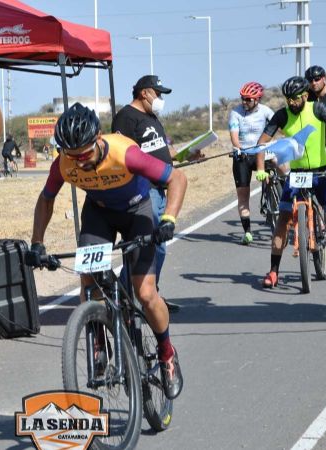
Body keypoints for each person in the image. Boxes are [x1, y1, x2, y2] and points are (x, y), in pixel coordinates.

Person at [28, 103, 186, 399]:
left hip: (137, 210)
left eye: (85, 154)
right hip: (99, 213)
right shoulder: (64, 162)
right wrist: (37, 242)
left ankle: (167, 355)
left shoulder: (124, 152)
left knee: (146, 294)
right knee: (88, 282)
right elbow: (46, 199)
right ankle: (99, 341)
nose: (80, 162)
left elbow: (177, 179)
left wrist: (169, 219)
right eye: (72, 156)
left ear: (99, 138)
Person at [255, 76, 326, 288]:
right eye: (288, 99)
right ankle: (273, 271)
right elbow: (262, 143)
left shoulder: (318, 109)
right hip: (296, 174)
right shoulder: (282, 115)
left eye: (295, 98)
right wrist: (260, 170)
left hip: (323, 171)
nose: (292, 103)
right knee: (282, 220)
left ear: (305, 95)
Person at [112, 75, 200, 292]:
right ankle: (129, 294)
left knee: (158, 247)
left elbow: (160, 149)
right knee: (145, 248)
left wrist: (185, 155)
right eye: (158, 93)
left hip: (161, 190)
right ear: (145, 93)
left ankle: (149, 293)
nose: (160, 98)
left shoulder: (152, 117)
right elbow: (122, 154)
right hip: (144, 190)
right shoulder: (126, 117)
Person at [228, 81, 274, 244]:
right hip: (244, 154)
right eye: (243, 99)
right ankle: (247, 232)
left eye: (248, 99)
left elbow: (280, 126)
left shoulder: (266, 111)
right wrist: (239, 148)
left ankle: (281, 192)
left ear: (257, 99)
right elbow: (234, 135)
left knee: (280, 162)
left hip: (261, 152)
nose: (244, 102)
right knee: (243, 195)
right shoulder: (236, 113)